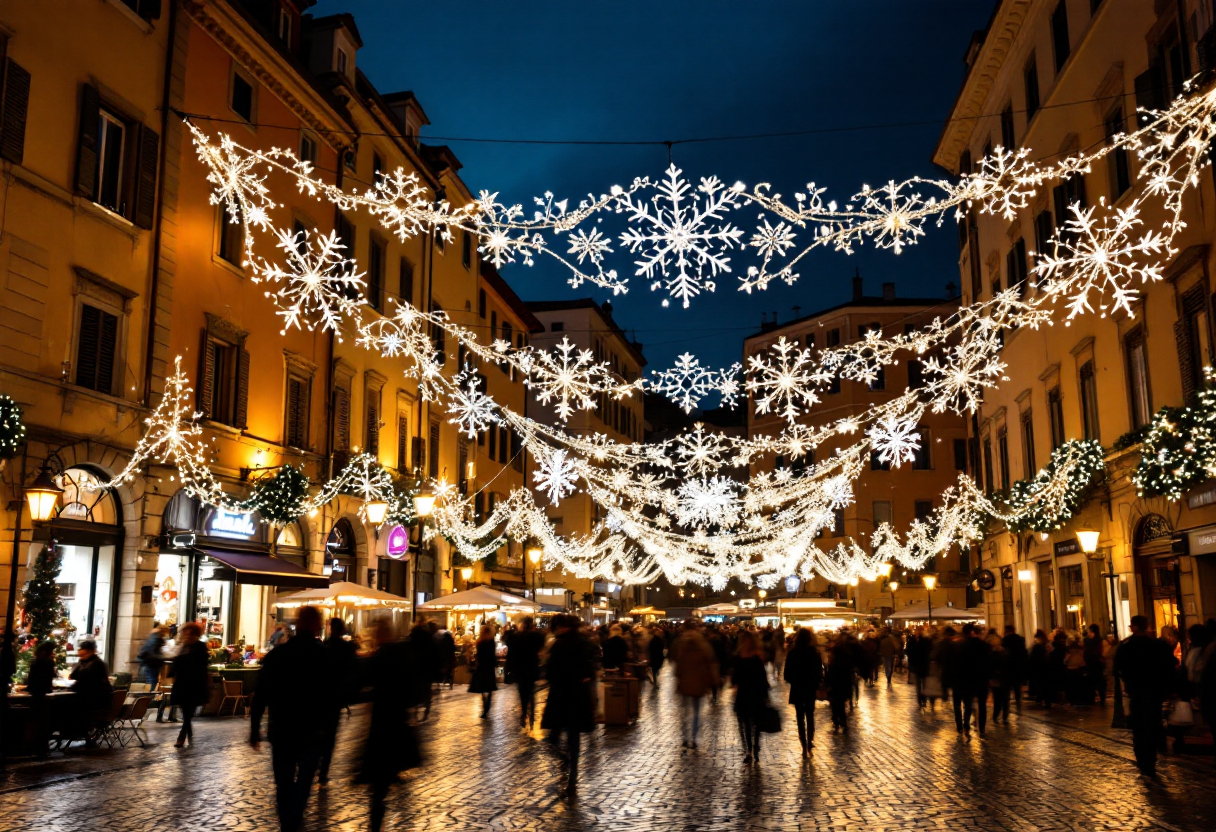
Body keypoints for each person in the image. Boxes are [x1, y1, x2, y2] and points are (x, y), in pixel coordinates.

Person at [250, 606, 334, 832]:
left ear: (297, 624)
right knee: (304, 781)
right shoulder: (323, 655)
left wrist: (254, 728)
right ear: (316, 625)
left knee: (284, 781)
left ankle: (288, 822)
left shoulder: (278, 655)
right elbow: (331, 695)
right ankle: (292, 820)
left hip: (282, 728)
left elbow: (261, 693)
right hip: (311, 729)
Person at [358, 620, 421, 832]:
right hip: (398, 723)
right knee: (385, 775)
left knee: (378, 786)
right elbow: (413, 690)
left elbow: (361, 684)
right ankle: (391, 782)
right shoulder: (404, 657)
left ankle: (376, 822)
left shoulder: (379, 657)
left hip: (381, 725)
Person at [1115, 615, 1178, 777]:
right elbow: (1171, 665)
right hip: (1154, 691)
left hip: (1137, 692)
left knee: (1139, 727)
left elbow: (1118, 668)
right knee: (1154, 722)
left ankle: (1144, 760)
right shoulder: (1158, 645)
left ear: (1133, 627)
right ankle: (1151, 756)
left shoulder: (1126, 646)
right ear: (1147, 626)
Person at [542, 615, 597, 792]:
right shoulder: (584, 643)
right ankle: (572, 774)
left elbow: (550, 671)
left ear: (563, 627)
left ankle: (567, 763)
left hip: (561, 694)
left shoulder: (559, 644)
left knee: (554, 736)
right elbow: (590, 669)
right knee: (574, 737)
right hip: (578, 695)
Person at [318, 618, 358, 787]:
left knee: (318, 733)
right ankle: (323, 771)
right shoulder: (344, 648)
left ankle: (315, 764)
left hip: (320, 697)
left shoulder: (324, 647)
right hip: (334, 699)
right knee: (329, 737)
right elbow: (353, 673)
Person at [669, 620, 719, 749]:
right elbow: (710, 665)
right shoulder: (704, 648)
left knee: (685, 712)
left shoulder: (682, 650)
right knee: (697, 712)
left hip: (685, 684)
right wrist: (711, 681)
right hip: (699, 685)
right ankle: (694, 738)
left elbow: (677, 668)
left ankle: (685, 737)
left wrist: (679, 679)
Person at [783, 628, 823, 757]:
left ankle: (803, 745)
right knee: (810, 715)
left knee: (800, 717)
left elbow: (786, 675)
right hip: (810, 688)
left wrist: (795, 680)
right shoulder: (814, 653)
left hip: (797, 688)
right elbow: (819, 672)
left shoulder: (792, 653)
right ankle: (810, 740)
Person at [170, 622, 210, 748]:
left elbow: (202, 665)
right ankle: (188, 731)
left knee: (188, 709)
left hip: (194, 683)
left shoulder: (200, 647)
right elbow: (176, 663)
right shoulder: (182, 646)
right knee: (185, 710)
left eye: (189, 633)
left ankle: (182, 735)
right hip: (182, 683)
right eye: (184, 632)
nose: (186, 635)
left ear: (195, 635)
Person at [732, 630, 769, 764]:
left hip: (749, 693)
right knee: (749, 722)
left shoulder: (742, 658)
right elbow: (763, 678)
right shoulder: (754, 658)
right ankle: (751, 749)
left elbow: (735, 677)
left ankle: (752, 748)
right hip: (752, 693)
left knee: (752, 722)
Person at [507, 616, 545, 728]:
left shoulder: (514, 637)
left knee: (522, 691)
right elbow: (541, 650)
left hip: (519, 667)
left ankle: (524, 713)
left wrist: (509, 668)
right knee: (531, 690)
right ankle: (531, 713)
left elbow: (511, 654)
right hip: (532, 666)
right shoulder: (538, 636)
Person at [955, 623, 991, 739]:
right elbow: (989, 663)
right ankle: (982, 729)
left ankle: (966, 723)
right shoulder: (985, 646)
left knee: (968, 704)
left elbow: (959, 665)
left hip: (967, 680)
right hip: (982, 680)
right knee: (982, 706)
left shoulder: (961, 646)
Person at [408, 619, 439, 721]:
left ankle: (416, 711)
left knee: (416, 689)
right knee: (426, 689)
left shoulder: (411, 637)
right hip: (427, 667)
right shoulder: (428, 636)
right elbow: (434, 652)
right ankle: (426, 710)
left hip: (416, 667)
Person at [826, 632, 857, 733]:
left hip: (836, 682)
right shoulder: (848, 654)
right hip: (844, 681)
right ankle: (842, 722)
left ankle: (837, 721)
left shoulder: (835, 656)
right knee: (841, 703)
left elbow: (830, 669)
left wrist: (827, 682)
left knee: (836, 702)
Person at [468, 623, 498, 718]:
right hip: (489, 666)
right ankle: (487, 703)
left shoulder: (480, 642)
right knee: (488, 687)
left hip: (482, 666)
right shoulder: (492, 642)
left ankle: (485, 704)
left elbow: (479, 655)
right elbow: (492, 655)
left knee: (481, 687)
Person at [1000, 625, 1027, 715]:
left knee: (1006, 692)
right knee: (1017, 690)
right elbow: (1024, 655)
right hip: (1018, 669)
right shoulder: (1020, 640)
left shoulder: (1005, 640)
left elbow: (1002, 655)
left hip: (1007, 669)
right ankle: (1019, 707)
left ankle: (1006, 710)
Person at [136, 624, 168, 688]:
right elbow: (151, 652)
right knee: (151, 683)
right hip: (151, 664)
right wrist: (162, 657)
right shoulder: (154, 639)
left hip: (149, 664)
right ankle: (150, 697)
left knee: (151, 682)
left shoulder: (153, 637)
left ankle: (150, 696)